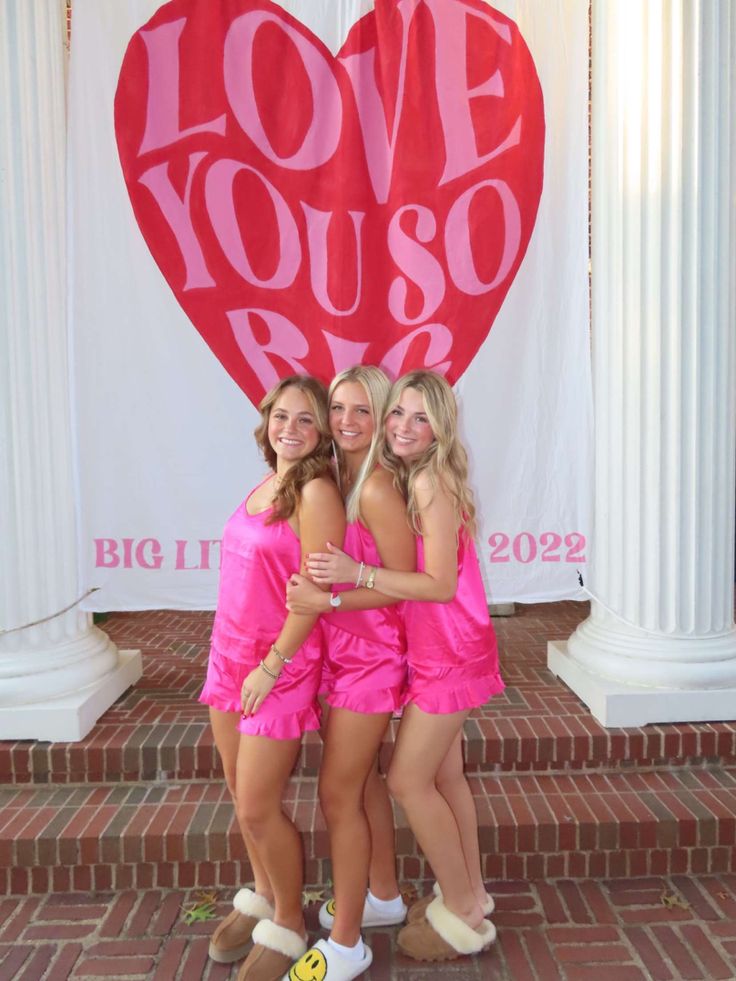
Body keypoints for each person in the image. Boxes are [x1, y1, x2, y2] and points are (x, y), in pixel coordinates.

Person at [288, 369, 503, 964]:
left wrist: (356, 578)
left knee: (409, 781)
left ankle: (460, 913)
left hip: (447, 650)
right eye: (399, 415)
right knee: (447, 778)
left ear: (441, 428)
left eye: (420, 417)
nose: (404, 427)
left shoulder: (429, 481)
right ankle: (475, 894)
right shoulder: (417, 475)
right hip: (445, 645)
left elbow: (436, 585)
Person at [199, 375, 344, 981]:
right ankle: (261, 893)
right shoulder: (270, 479)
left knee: (259, 807)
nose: (289, 428)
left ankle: (288, 921)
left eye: (305, 419)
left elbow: (315, 596)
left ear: (321, 433)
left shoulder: (314, 493)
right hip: (229, 658)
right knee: (240, 794)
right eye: (280, 416)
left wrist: (272, 665)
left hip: (276, 668)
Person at [286, 365, 415, 981]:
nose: (345, 422)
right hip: (342, 653)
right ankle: (383, 895)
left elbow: (403, 589)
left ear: (383, 414)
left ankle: (346, 944)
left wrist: (331, 600)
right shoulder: (340, 473)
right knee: (361, 786)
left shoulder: (376, 488)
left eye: (363, 410)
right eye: (338, 408)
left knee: (337, 795)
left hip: (372, 659)